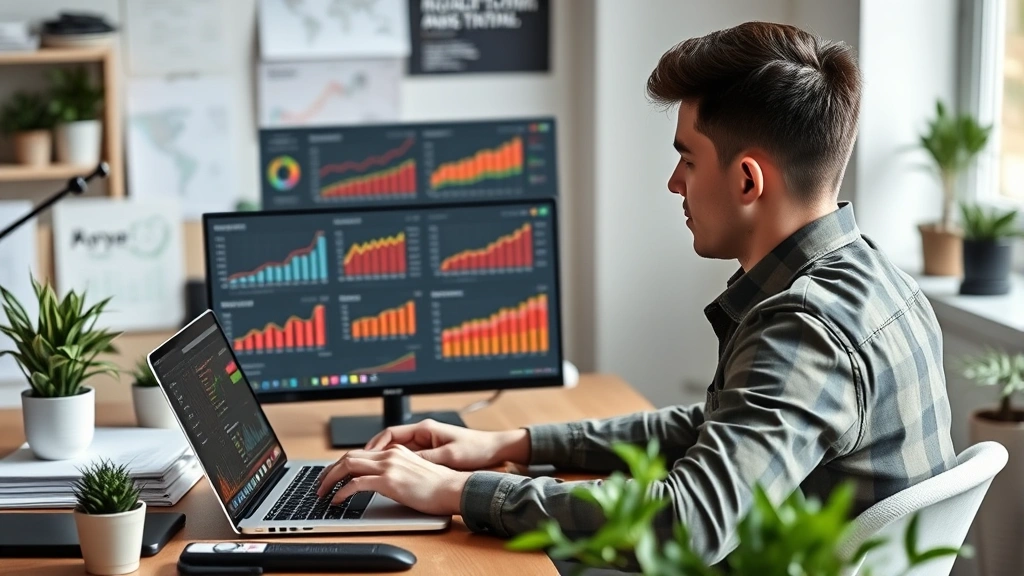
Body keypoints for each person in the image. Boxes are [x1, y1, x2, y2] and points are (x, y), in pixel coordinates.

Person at [316, 21, 957, 564]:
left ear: (746, 180)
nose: (674, 183)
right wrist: (511, 445)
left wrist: (461, 493)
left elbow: (691, 521)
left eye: (687, 158)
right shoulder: (875, 279)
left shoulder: (803, 324)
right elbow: (720, 426)